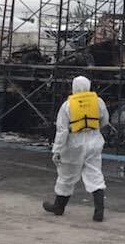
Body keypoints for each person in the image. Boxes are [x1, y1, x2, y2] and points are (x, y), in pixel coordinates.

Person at [43, 75, 109, 221]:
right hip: (94, 141)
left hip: (73, 144)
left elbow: (62, 131)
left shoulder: (67, 105)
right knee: (95, 174)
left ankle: (58, 206)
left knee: (66, 176)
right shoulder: (98, 102)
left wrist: (57, 150)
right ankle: (99, 211)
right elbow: (105, 121)